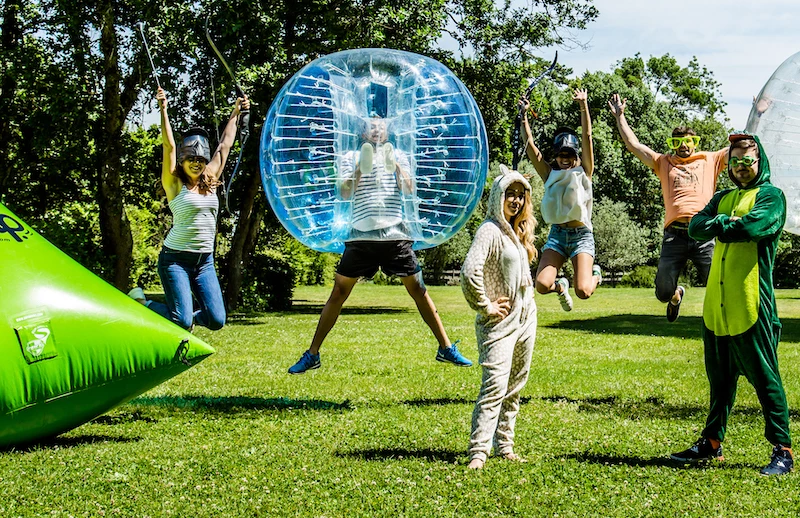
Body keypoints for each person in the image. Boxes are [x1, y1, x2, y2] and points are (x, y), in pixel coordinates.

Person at [288, 117, 471, 373]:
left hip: (395, 234)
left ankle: (446, 347)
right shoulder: (350, 156)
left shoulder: (399, 155)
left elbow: (409, 190)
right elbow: (344, 193)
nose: (376, 129)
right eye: (371, 125)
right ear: (363, 131)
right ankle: (312, 354)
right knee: (338, 293)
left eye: (381, 125)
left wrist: (395, 164)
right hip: (361, 236)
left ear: (387, 131)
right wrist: (361, 168)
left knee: (418, 290)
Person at [669, 133, 795, 477]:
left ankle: (782, 450)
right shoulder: (723, 196)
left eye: (747, 162)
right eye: (735, 162)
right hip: (716, 309)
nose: (740, 168)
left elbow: (755, 226)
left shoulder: (771, 196)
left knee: (766, 379)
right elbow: (695, 226)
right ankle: (711, 443)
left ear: (759, 162)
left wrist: (722, 225)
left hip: (751, 305)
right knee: (719, 383)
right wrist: (727, 223)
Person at [607, 93, 728, 321]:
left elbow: (741, 147)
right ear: (672, 145)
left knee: (718, 283)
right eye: (677, 142)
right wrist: (620, 117)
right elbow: (633, 145)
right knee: (663, 292)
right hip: (675, 236)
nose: (683, 147)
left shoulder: (710, 159)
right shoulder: (663, 162)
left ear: (695, 142)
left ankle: (720, 323)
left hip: (704, 233)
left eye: (688, 142)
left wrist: (759, 114)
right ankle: (675, 296)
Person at [146, 87, 248, 331]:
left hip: (204, 261)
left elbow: (224, 145)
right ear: (182, 160)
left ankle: (184, 316)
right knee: (181, 321)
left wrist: (235, 113)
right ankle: (143, 302)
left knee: (216, 320)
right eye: (191, 159)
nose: (197, 164)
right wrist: (163, 109)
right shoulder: (173, 183)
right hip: (175, 260)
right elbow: (168, 147)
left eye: (200, 160)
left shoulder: (210, 178)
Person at [462, 166, 538, 469]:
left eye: (521, 196)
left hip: (525, 319)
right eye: (511, 194)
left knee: (516, 386)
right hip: (499, 324)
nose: (516, 201)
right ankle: (478, 452)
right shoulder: (489, 231)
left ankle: (505, 445)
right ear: (498, 197)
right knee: (494, 387)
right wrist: (485, 305)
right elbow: (470, 272)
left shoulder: (517, 233)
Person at [520, 88, 599, 311]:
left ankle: (596, 275)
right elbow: (530, 148)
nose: (565, 159)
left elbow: (587, 138)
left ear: (576, 156)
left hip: (581, 235)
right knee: (542, 285)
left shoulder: (585, 171)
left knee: (583, 291)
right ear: (555, 156)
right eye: (561, 155)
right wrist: (524, 116)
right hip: (557, 234)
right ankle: (560, 287)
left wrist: (583, 105)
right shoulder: (549, 175)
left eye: (570, 155)